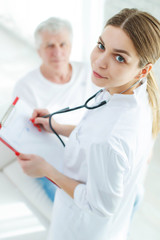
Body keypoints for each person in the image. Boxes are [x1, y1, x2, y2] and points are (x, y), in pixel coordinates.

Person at [17, 8, 160, 240]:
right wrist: (57, 125)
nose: (99, 62)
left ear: (143, 70)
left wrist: (46, 171)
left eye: (119, 57)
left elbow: (98, 205)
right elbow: (93, 138)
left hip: (83, 230)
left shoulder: (112, 136)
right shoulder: (134, 94)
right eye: (102, 46)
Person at [13, 17, 97, 201]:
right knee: (76, 204)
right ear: (39, 51)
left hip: (90, 152)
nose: (57, 52)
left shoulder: (88, 73)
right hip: (55, 163)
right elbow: (26, 140)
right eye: (49, 46)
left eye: (62, 44)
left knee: (134, 195)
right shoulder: (25, 87)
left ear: (71, 46)